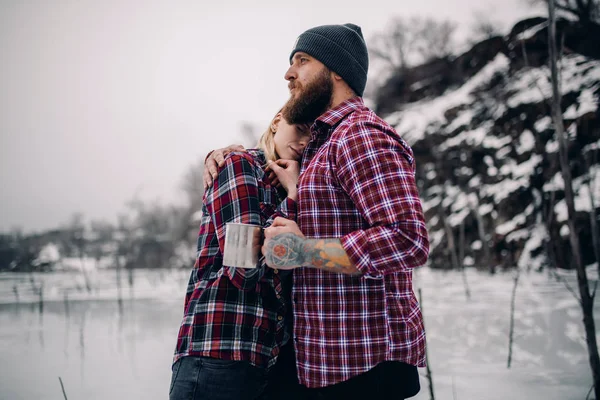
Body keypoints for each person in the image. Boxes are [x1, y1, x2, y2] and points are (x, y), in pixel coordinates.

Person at [205, 23, 429, 400]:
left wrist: (305, 251)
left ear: (337, 70)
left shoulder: (360, 134)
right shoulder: (322, 146)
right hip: (325, 364)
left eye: (302, 61)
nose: (288, 74)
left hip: (364, 364)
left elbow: (408, 239)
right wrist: (228, 157)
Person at [170, 110, 310, 400]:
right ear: (277, 121)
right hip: (217, 355)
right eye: (299, 128)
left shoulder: (290, 186)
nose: (304, 141)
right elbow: (242, 270)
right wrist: (294, 197)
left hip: (265, 361)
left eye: (313, 137)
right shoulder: (239, 166)